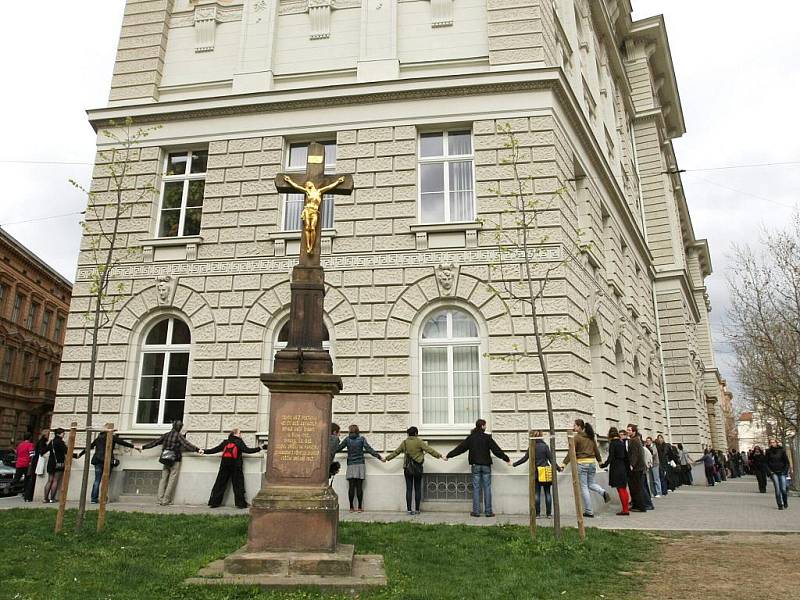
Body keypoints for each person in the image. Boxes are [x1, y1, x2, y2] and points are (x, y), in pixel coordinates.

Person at [447, 418, 510, 517]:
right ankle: (488, 512)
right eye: (485, 425)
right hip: (486, 466)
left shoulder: (471, 438)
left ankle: (476, 512)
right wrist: (506, 459)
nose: (486, 427)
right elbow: (496, 450)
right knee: (487, 488)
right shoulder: (487, 438)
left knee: (476, 488)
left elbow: (460, 448)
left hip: (475, 465)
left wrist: (448, 455)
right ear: (482, 426)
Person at [385, 426, 445, 515]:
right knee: (417, 489)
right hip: (417, 469)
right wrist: (440, 456)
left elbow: (396, 452)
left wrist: (386, 458)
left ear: (408, 434)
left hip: (407, 469)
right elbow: (429, 450)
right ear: (416, 433)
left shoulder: (404, 443)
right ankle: (417, 510)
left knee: (409, 489)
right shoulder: (419, 442)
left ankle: (409, 510)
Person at [142, 420, 203, 506]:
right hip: (175, 459)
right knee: (171, 480)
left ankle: (159, 499)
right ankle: (166, 500)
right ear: (180, 428)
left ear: (172, 426)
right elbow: (187, 444)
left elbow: (155, 442)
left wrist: (143, 447)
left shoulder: (166, 435)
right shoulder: (179, 436)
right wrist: (197, 449)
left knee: (163, 479)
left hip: (165, 459)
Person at [204, 428, 265, 509]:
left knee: (220, 483)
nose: (241, 434)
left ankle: (214, 503)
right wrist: (259, 448)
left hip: (224, 465)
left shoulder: (226, 442)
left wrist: (204, 451)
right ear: (235, 434)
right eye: (240, 433)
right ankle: (241, 504)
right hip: (236, 466)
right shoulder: (239, 442)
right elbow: (247, 450)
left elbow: (214, 450)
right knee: (238, 484)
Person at [561, 419, 610, 518]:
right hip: (592, 463)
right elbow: (596, 451)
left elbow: (571, 452)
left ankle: (589, 511)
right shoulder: (591, 437)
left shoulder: (577, 438)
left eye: (574, 425)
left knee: (584, 487)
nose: (573, 427)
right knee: (591, 483)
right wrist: (600, 462)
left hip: (582, 464)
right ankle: (602, 491)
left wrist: (563, 464)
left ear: (579, 426)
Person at [77, 430, 140, 504]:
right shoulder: (111, 437)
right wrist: (134, 447)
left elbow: (89, 447)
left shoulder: (98, 439)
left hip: (97, 461)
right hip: (107, 461)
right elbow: (122, 442)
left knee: (97, 480)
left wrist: (80, 454)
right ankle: (103, 498)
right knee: (105, 481)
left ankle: (94, 499)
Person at [335, 424, 383, 512]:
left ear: (350, 431)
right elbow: (369, 449)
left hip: (350, 465)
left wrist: (335, 440)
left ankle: (351, 508)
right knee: (359, 487)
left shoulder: (347, 439)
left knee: (351, 487)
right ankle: (360, 507)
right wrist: (379, 457)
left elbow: (338, 449)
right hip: (360, 464)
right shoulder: (362, 439)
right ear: (358, 431)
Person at [512, 430, 554, 518]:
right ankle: (549, 514)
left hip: (536, 473)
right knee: (548, 493)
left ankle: (537, 514)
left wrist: (514, 464)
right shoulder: (545, 446)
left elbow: (524, 459)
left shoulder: (531, 447)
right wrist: (558, 468)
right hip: (545, 471)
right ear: (541, 436)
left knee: (537, 494)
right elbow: (551, 459)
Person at [600, 427, 629, 516]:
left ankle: (625, 510)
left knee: (620, 489)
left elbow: (611, 457)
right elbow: (626, 456)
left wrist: (604, 465)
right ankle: (626, 508)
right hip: (623, 467)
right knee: (623, 489)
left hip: (616, 468)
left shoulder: (613, 443)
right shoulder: (621, 443)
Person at [625, 424, 648, 512]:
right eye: (627, 430)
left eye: (629, 430)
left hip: (637, 468)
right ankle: (636, 505)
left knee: (636, 488)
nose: (628, 431)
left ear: (634, 431)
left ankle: (640, 506)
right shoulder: (635, 440)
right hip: (639, 467)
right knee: (636, 487)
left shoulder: (634, 441)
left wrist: (632, 465)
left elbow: (635, 454)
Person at [23, 429, 49, 502]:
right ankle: (28, 496)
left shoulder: (41, 441)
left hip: (36, 461)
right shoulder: (42, 442)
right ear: (45, 435)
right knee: (33, 479)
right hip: (37, 461)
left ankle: (28, 496)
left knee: (32, 478)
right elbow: (41, 451)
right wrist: (48, 448)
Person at [43, 428, 67, 503]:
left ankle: (45, 498)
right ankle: (52, 498)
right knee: (55, 480)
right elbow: (66, 451)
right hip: (59, 463)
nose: (64, 434)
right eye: (63, 433)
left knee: (49, 480)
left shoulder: (52, 442)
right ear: (59, 434)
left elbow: (44, 450)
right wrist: (75, 456)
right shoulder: (61, 442)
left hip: (51, 463)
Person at [765, 438, 790, 510]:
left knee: (783, 489)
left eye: (773, 442)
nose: (772, 444)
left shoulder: (782, 450)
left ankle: (785, 502)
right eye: (771, 442)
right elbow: (766, 463)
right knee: (777, 489)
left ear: (776, 443)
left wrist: (785, 471)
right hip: (773, 472)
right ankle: (780, 504)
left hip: (782, 471)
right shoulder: (768, 451)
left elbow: (787, 462)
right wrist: (770, 472)